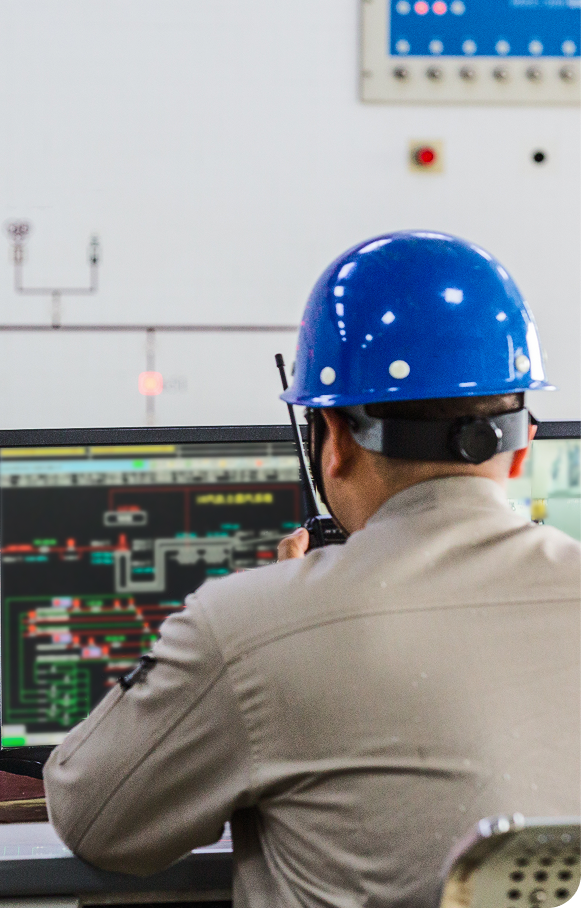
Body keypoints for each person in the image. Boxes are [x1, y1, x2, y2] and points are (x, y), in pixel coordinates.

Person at [43, 231, 581, 907]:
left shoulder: (253, 626)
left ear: (331, 442)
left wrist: (277, 613)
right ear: (524, 444)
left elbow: (94, 819)